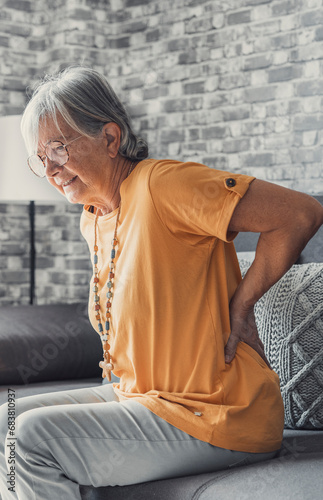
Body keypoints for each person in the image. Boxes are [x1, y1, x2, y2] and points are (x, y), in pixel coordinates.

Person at [0, 66, 322, 500]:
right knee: (8, 419)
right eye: (41, 159)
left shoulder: (164, 184)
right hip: (143, 398)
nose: (51, 169)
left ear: (110, 138)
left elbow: (298, 214)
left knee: (32, 439)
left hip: (216, 411)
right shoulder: (93, 218)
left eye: (57, 149)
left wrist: (243, 305)